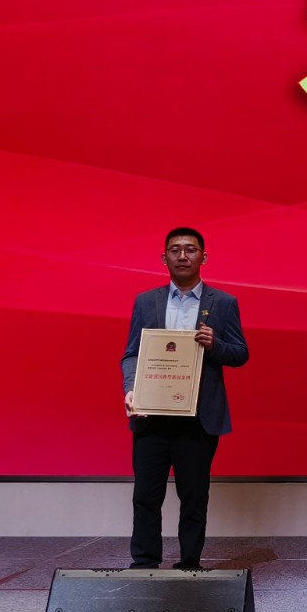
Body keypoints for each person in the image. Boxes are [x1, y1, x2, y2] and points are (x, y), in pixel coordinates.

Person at [121, 226, 249, 570]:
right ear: (164, 258)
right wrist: (131, 389)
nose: (182, 256)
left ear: (203, 257)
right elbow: (131, 353)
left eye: (190, 250)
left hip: (198, 417)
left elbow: (240, 353)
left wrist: (216, 345)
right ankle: (145, 563)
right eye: (175, 250)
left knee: (193, 496)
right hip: (151, 414)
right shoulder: (146, 301)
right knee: (145, 495)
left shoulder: (223, 303)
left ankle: (190, 564)